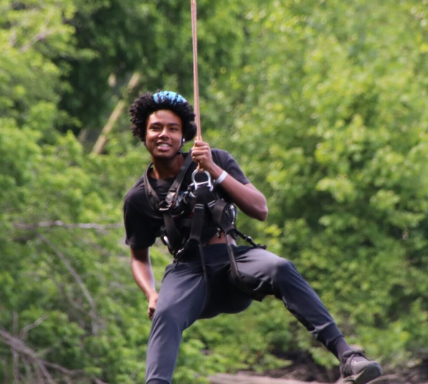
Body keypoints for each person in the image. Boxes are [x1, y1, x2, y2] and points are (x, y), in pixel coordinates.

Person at [123, 90, 382, 384]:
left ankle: (348, 357)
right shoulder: (138, 198)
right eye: (155, 128)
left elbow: (259, 209)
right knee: (166, 313)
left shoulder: (213, 160)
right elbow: (138, 257)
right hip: (190, 273)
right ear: (143, 134)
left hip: (234, 264)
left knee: (279, 267)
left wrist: (214, 170)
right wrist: (151, 294)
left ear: (184, 135)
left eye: (172, 128)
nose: (163, 134)